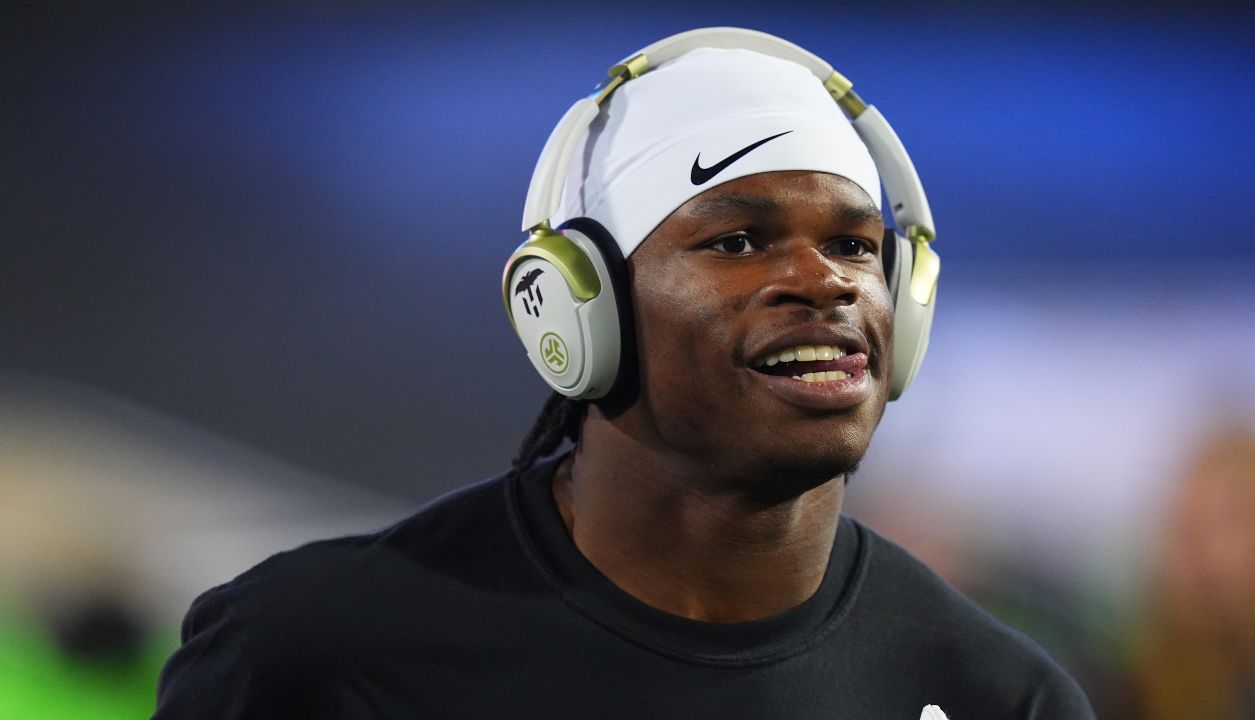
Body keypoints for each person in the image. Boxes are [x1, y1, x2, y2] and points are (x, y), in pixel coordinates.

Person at [153, 28, 1094, 719]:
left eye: (855, 246)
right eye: (737, 239)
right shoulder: (314, 651)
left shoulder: (997, 698)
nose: (823, 283)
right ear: (581, 307)